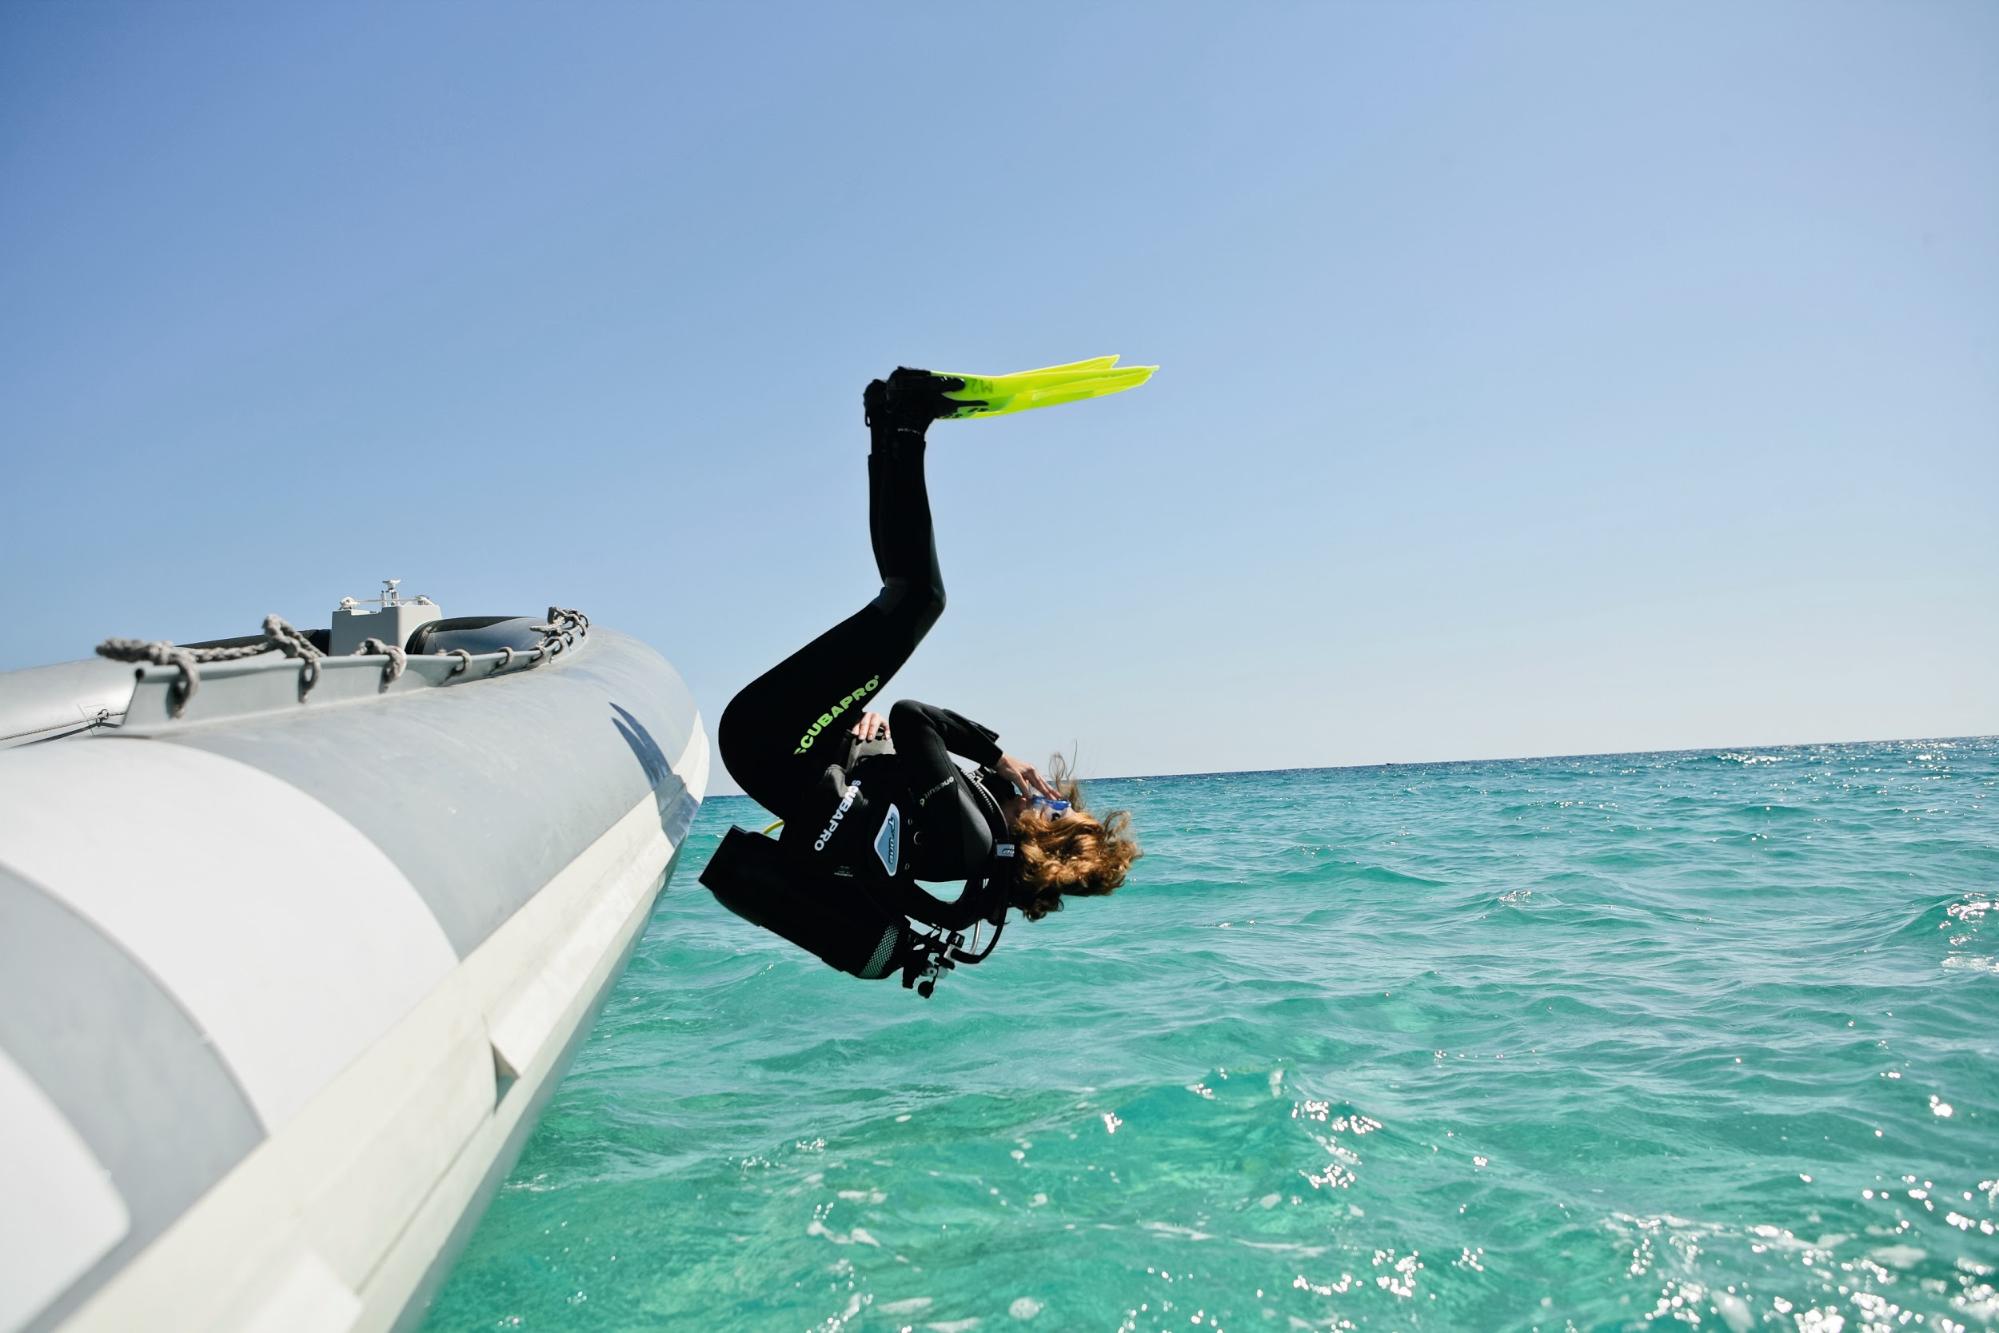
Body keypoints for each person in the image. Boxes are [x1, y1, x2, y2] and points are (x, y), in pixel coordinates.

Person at [714, 367, 1141, 944]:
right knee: (902, 595)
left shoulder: (972, 838)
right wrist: (867, 742)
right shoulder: (970, 851)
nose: (1052, 796)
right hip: (789, 744)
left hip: (770, 737)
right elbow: (884, 772)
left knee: (920, 598)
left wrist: (996, 756)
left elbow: (913, 716)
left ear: (1044, 841)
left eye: (1058, 813)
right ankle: (889, 423)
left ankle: (907, 421)